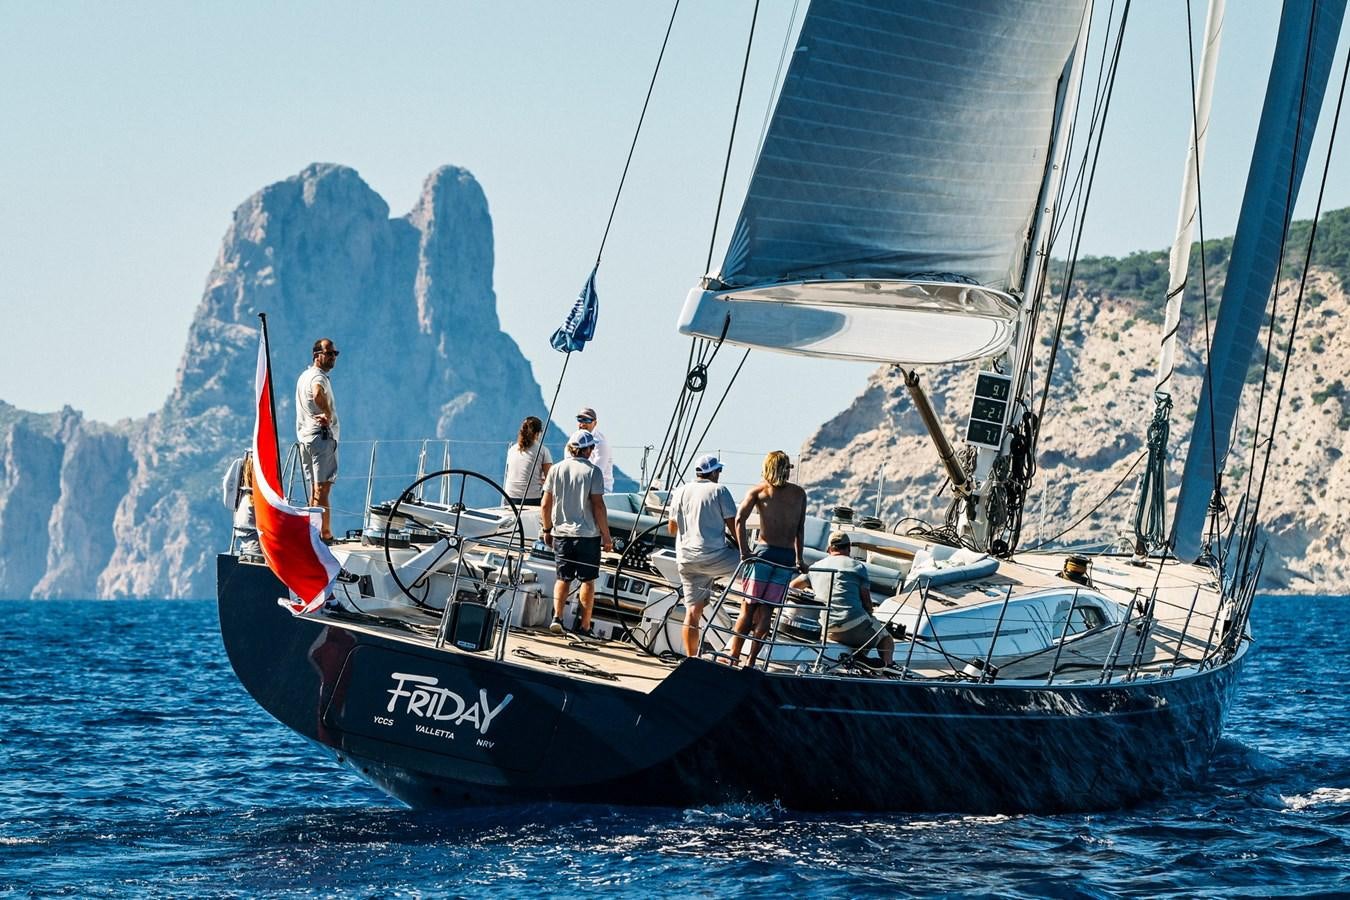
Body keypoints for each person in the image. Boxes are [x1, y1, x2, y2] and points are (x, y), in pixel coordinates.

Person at [728, 450, 807, 668]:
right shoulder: (799, 494)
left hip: (764, 554)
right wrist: (799, 559)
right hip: (786, 557)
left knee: (749, 608)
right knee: (768, 612)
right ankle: (751, 661)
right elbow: (800, 530)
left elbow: (739, 520)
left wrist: (744, 550)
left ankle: (734, 656)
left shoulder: (759, 491)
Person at [540, 429, 614, 636]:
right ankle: (584, 626)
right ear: (588, 450)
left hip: (562, 533)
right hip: (587, 535)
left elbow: (545, 504)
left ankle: (557, 617)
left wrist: (547, 530)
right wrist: (606, 537)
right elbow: (598, 506)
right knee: (587, 580)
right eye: (591, 447)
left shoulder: (556, 469)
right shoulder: (593, 472)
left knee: (562, 578)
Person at [668, 454, 740, 657]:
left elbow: (672, 528)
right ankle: (744, 635)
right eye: (719, 471)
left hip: (686, 560)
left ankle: (691, 658)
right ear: (715, 473)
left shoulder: (680, 491)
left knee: (692, 611)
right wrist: (746, 552)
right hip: (714, 557)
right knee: (753, 575)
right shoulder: (719, 490)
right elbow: (734, 526)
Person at [791, 531, 895, 666]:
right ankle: (887, 669)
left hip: (827, 628)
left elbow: (793, 586)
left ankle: (860, 659)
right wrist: (870, 614)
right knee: (886, 638)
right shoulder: (857, 567)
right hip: (853, 626)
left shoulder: (815, 567)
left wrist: (812, 592)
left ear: (829, 549)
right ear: (849, 548)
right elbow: (867, 604)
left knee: (865, 627)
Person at [295, 338, 340, 542]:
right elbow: (317, 393)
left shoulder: (303, 376)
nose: (333, 357)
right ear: (317, 355)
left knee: (314, 487)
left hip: (306, 439)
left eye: (334, 354)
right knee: (323, 487)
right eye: (329, 353)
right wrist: (327, 414)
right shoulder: (317, 377)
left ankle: (312, 531)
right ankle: (325, 535)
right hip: (321, 438)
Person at [503, 416, 552, 506]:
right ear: (538, 433)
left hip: (509, 497)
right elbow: (550, 479)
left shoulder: (512, 449)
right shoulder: (543, 450)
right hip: (532, 498)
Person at [574, 406, 613, 493]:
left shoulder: (601, 443)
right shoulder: (574, 438)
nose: (582, 423)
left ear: (595, 423)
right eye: (580, 419)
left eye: (587, 420)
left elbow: (596, 472)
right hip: (580, 486)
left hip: (600, 489)